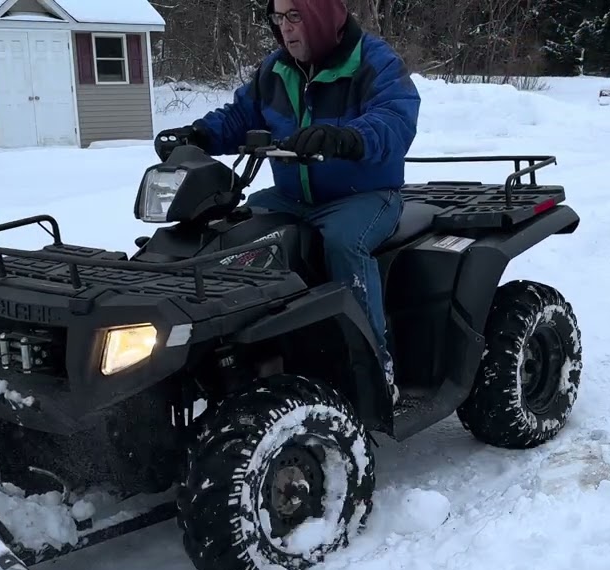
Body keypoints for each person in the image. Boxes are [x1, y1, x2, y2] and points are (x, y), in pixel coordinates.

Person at [154, 0, 420, 405]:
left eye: (294, 16)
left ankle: (373, 364)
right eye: (278, 18)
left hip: (365, 195)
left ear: (320, 16)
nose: (286, 28)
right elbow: (239, 116)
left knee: (343, 244)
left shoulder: (374, 61)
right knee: (229, 235)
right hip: (291, 196)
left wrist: (344, 138)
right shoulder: (275, 70)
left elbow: (396, 120)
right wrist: (198, 136)